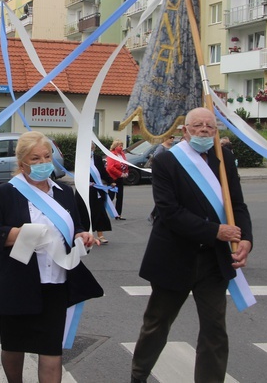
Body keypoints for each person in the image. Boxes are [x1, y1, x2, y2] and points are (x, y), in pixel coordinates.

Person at [130, 107, 252, 383]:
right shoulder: (166, 162)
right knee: (157, 324)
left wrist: (245, 239)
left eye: (210, 126)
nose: (204, 131)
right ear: (185, 130)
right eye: (198, 126)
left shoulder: (224, 158)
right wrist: (215, 231)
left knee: (215, 330)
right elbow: (169, 212)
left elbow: (237, 204)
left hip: (213, 261)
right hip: (174, 257)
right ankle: (138, 375)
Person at [0, 131, 103, 383]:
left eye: (46, 156)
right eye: (35, 159)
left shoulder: (64, 193)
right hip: (17, 283)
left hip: (55, 284)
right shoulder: (5, 192)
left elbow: (76, 226)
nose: (42, 163)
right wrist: (22, 234)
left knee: (51, 349)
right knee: (14, 346)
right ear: (22, 162)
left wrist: (82, 237)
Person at [76, 144, 112, 244]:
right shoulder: (81, 159)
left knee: (100, 212)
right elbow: (78, 173)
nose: (91, 149)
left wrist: (110, 181)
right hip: (85, 191)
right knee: (85, 213)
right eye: (89, 147)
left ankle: (101, 235)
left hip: (97, 190)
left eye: (92, 148)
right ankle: (86, 235)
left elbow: (103, 172)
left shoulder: (97, 158)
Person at [106, 139, 129, 220]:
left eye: (122, 146)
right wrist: (120, 173)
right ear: (115, 146)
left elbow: (125, 164)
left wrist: (126, 172)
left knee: (120, 196)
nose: (121, 147)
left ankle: (118, 214)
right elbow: (110, 167)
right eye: (120, 146)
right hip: (113, 178)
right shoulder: (111, 155)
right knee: (111, 196)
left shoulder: (122, 154)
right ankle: (103, 212)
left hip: (120, 178)